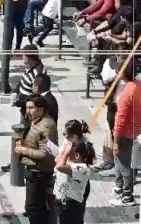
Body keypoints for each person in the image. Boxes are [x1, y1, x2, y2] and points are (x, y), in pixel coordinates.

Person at [16, 96, 58, 224]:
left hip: (40, 173)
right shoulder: (36, 120)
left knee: (34, 208)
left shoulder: (46, 126)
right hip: (33, 170)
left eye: (31, 108)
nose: (27, 111)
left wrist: (25, 151)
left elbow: (45, 154)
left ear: (40, 109)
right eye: (27, 107)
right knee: (35, 207)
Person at [113, 60, 141, 206]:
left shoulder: (127, 92)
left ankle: (127, 195)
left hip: (125, 133)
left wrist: (115, 140)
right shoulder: (139, 86)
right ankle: (122, 190)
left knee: (124, 165)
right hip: (135, 130)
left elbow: (120, 119)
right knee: (127, 164)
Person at [54, 127, 95, 224]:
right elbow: (57, 161)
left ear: (77, 155)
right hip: (63, 202)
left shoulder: (82, 168)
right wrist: (65, 151)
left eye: (71, 152)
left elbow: (59, 166)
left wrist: (67, 152)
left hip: (71, 205)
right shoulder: (71, 163)